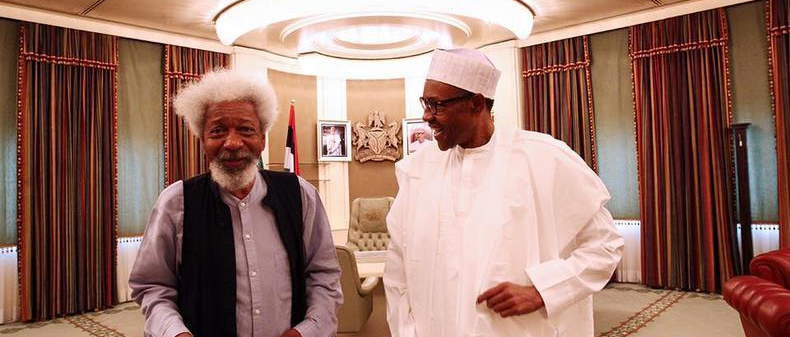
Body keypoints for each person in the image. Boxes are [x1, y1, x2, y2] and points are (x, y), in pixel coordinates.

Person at [384, 49, 624, 336]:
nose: (426, 117)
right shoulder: (418, 170)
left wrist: (542, 290)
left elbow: (604, 245)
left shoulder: (542, 158)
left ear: (475, 103)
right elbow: (398, 267)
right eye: (425, 103)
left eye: (436, 105)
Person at [129, 69, 342, 337]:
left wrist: (307, 331)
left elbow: (323, 276)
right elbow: (152, 286)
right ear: (203, 139)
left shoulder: (300, 195)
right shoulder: (176, 203)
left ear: (262, 138)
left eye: (245, 129)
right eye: (218, 131)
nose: (232, 143)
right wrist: (175, 333)